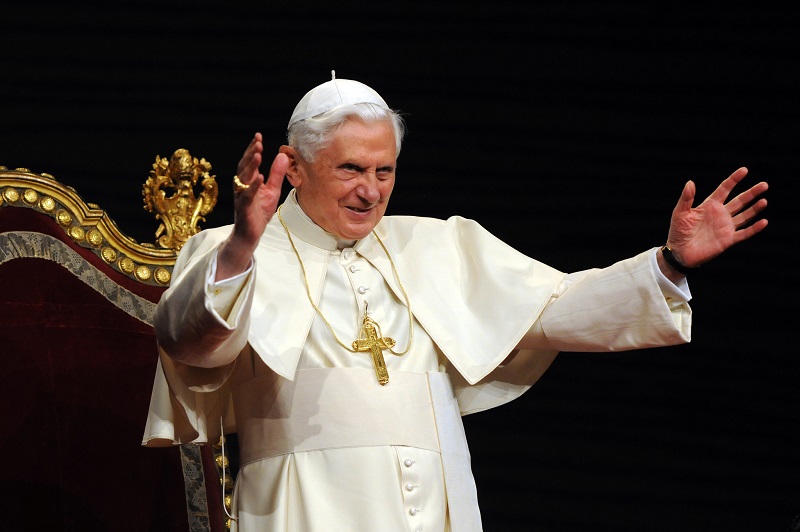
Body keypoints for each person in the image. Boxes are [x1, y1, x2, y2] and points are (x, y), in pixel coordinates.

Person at [143, 73, 768, 532]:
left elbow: (556, 307)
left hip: (440, 502)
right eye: (351, 169)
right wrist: (244, 244)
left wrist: (670, 262)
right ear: (295, 167)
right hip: (301, 503)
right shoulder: (231, 249)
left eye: (385, 171)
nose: (371, 192)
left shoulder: (438, 244)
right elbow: (189, 343)